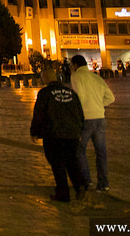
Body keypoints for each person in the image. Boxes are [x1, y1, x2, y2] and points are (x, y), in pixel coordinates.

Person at [30, 67, 86, 202]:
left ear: (45, 78)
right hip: (72, 134)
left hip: (53, 134)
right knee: (72, 162)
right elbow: (79, 113)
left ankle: (63, 193)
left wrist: (34, 132)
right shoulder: (71, 92)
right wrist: (79, 130)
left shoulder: (45, 93)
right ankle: (80, 187)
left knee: (57, 164)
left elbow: (39, 113)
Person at [70, 54, 115, 192]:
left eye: (71, 65)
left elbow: (80, 98)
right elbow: (111, 98)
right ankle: (103, 184)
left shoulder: (76, 76)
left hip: (86, 119)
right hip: (100, 118)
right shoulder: (96, 77)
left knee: (79, 151)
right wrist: (97, 105)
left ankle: (87, 181)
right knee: (101, 152)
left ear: (76, 65)